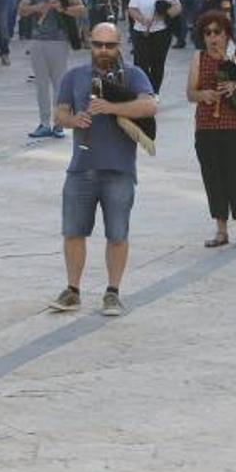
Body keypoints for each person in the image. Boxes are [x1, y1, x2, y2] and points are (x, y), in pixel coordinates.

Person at [47, 21, 157, 317]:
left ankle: (113, 291)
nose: (104, 51)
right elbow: (58, 113)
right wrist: (73, 121)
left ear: (119, 46)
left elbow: (149, 107)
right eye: (98, 45)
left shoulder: (132, 75)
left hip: (119, 170)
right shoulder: (74, 76)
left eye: (110, 45)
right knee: (73, 231)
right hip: (81, 169)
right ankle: (72, 290)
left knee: (117, 234)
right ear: (90, 45)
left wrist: (112, 108)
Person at [188, 11, 236, 249]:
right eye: (207, 33)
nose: (212, 37)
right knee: (213, 177)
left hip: (234, 127)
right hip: (206, 126)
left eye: (217, 32)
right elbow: (190, 93)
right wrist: (203, 94)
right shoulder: (198, 58)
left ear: (226, 34)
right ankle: (221, 230)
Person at [21, 0, 87, 138]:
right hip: (38, 39)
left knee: (59, 83)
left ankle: (59, 122)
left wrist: (62, 8)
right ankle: (43, 122)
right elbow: (22, 9)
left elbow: (81, 9)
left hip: (59, 39)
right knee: (41, 83)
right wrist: (38, 7)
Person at [126, 0, 181, 93]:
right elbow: (131, 9)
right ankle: (143, 90)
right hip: (141, 33)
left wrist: (165, 14)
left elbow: (177, 7)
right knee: (141, 64)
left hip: (160, 34)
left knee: (158, 64)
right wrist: (142, 19)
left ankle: (154, 91)